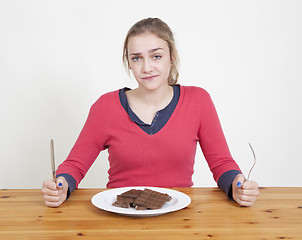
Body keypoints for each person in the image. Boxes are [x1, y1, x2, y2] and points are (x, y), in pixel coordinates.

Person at [41, 17, 259, 208]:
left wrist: (237, 185)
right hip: (120, 217)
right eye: (136, 58)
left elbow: (222, 164)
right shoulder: (105, 107)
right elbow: (75, 165)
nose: (146, 68)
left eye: (156, 56)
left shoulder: (199, 101)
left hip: (179, 219)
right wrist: (61, 185)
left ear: (171, 57)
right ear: (128, 62)